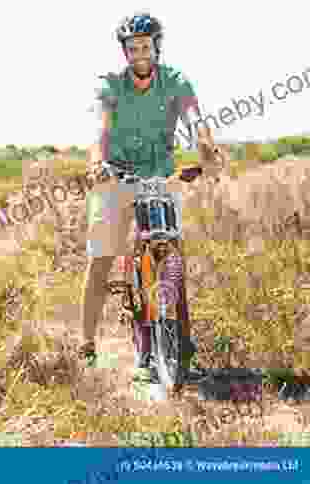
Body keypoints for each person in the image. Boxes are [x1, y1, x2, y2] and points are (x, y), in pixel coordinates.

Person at [78, 12, 226, 381]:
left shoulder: (175, 80)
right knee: (102, 257)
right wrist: (97, 161)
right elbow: (100, 126)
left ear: (156, 47)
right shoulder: (110, 83)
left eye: (145, 46)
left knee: (171, 255)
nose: (139, 53)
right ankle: (87, 344)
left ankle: (175, 345)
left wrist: (206, 148)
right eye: (132, 48)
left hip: (160, 176)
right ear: (124, 52)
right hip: (115, 176)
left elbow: (195, 118)